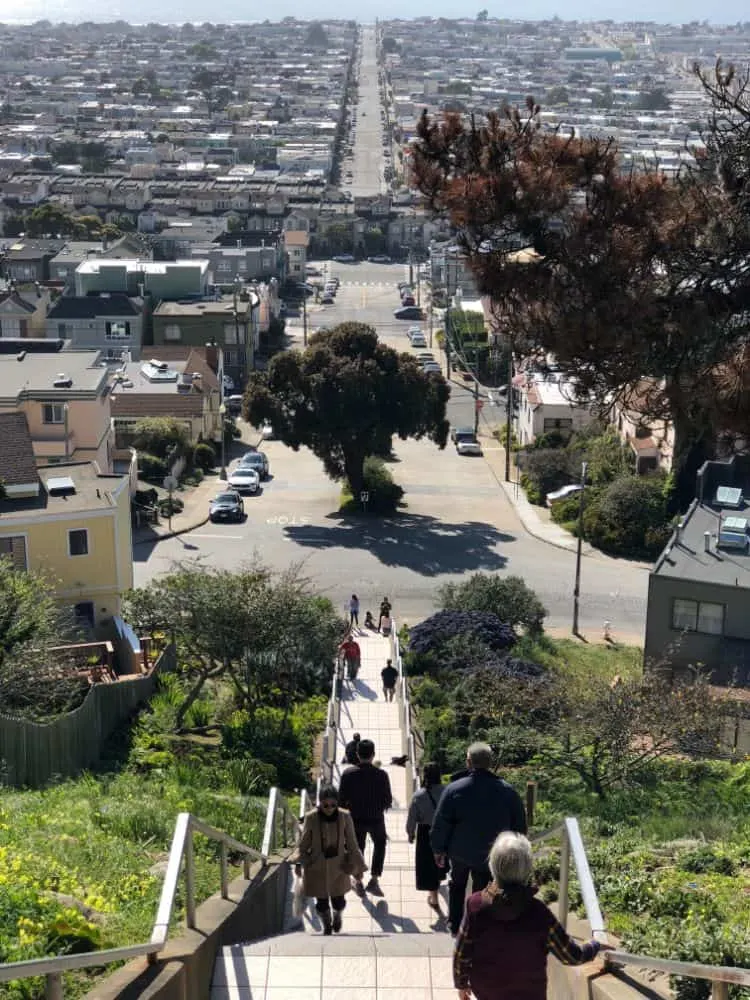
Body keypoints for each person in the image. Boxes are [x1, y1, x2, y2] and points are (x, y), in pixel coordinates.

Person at [454, 832, 611, 1000]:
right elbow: (571, 955)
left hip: (487, 991)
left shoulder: (475, 905)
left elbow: (461, 953)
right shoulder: (539, 913)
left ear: (493, 865)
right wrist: (594, 945)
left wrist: (461, 984)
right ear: (527, 870)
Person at [431, 742, 527, 936]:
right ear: (490, 762)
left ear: (468, 762)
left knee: (457, 885)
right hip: (492, 853)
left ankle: (455, 922)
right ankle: (478, 923)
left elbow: (442, 822)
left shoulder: (454, 789)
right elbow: (519, 827)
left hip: (460, 851)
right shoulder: (508, 791)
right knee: (483, 888)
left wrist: (438, 849)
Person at [293, 785, 367, 935]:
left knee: (338, 900)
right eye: (325, 805)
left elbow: (352, 844)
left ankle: (338, 915)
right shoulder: (311, 817)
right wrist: (299, 862)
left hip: (338, 867)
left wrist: (359, 868)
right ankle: (326, 923)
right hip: (316, 867)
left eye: (333, 805)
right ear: (320, 803)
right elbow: (303, 844)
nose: (329, 809)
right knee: (321, 903)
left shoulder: (345, 816)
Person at [339, 738, 392, 896]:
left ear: (357, 754)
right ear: (373, 754)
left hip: (355, 819)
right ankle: (374, 880)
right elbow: (387, 800)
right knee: (380, 844)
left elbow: (341, 799)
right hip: (376, 818)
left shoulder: (348, 774)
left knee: (357, 848)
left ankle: (358, 881)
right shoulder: (381, 775)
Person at [406, 762, 447, 911]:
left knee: (428, 864)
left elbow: (412, 818)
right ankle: (438, 885)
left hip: (425, 832)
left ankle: (434, 897)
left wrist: (410, 833)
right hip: (443, 831)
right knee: (441, 861)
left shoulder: (419, 795)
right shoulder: (447, 792)